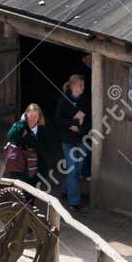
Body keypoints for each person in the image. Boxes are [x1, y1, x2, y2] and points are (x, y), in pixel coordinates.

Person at [54, 74, 89, 210]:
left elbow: (90, 118)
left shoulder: (85, 100)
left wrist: (81, 129)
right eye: (80, 85)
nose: (83, 88)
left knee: (78, 168)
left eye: (83, 85)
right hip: (68, 141)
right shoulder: (63, 101)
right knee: (73, 169)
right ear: (73, 86)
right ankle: (75, 202)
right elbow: (57, 120)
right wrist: (73, 123)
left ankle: (65, 189)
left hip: (82, 139)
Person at [4, 104, 48, 185]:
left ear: (39, 117)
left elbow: (43, 147)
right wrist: (23, 123)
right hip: (19, 165)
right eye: (31, 116)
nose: (33, 119)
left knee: (32, 191)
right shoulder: (20, 126)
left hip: (35, 167)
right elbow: (10, 136)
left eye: (35, 116)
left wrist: (27, 137)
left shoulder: (42, 130)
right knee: (19, 190)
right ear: (26, 115)